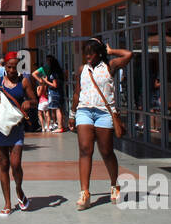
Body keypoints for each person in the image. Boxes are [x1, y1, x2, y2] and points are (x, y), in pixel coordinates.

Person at [75, 38, 133, 210]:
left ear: (99, 53)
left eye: (91, 53)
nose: (87, 56)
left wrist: (111, 51)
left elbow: (129, 54)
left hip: (104, 113)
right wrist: (72, 114)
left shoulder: (110, 66)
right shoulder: (82, 69)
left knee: (106, 151)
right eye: (86, 53)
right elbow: (77, 92)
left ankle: (114, 185)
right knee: (85, 150)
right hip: (84, 110)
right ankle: (84, 193)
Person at [0, 51, 37, 217]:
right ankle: (7, 203)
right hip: (0, 128)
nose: (12, 70)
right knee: (3, 165)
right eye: (9, 67)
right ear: (5, 66)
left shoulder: (24, 82)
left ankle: (19, 189)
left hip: (16, 128)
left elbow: (34, 100)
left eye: (15, 67)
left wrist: (28, 102)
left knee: (15, 165)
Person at [44, 55, 68, 133]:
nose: (46, 63)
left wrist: (46, 81)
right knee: (61, 109)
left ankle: (60, 126)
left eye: (48, 61)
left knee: (57, 109)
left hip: (54, 93)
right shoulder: (59, 72)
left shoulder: (53, 74)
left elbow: (54, 85)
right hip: (60, 92)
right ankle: (63, 125)